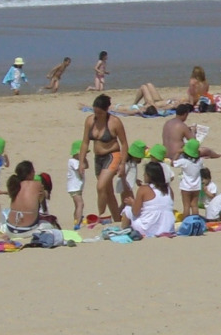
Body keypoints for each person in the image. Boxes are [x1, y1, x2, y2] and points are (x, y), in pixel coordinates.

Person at [82, 94, 127, 223]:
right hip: (98, 158)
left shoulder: (115, 122)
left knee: (101, 186)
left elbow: (124, 143)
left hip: (113, 155)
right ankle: (117, 219)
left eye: (100, 113)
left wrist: (123, 164)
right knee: (108, 191)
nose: (97, 115)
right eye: (95, 112)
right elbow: (85, 142)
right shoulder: (90, 121)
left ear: (106, 110)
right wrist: (81, 160)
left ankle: (101, 216)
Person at [126, 164, 174, 239]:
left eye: (145, 173)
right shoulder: (169, 189)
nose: (143, 175)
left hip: (148, 229)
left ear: (150, 175)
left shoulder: (143, 189)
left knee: (127, 209)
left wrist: (133, 203)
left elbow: (135, 212)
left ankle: (123, 231)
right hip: (168, 228)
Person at [172, 138, 205, 216]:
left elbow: (173, 163)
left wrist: (178, 153)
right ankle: (195, 222)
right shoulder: (200, 161)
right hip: (196, 186)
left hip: (186, 186)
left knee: (186, 206)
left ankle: (186, 223)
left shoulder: (184, 161)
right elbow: (202, 167)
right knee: (194, 205)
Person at [65, 139, 85, 226]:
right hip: (74, 187)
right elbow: (80, 170)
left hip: (77, 187)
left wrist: (84, 159)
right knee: (80, 204)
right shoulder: (73, 161)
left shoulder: (78, 161)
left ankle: (76, 220)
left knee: (77, 205)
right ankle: (78, 221)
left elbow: (86, 166)